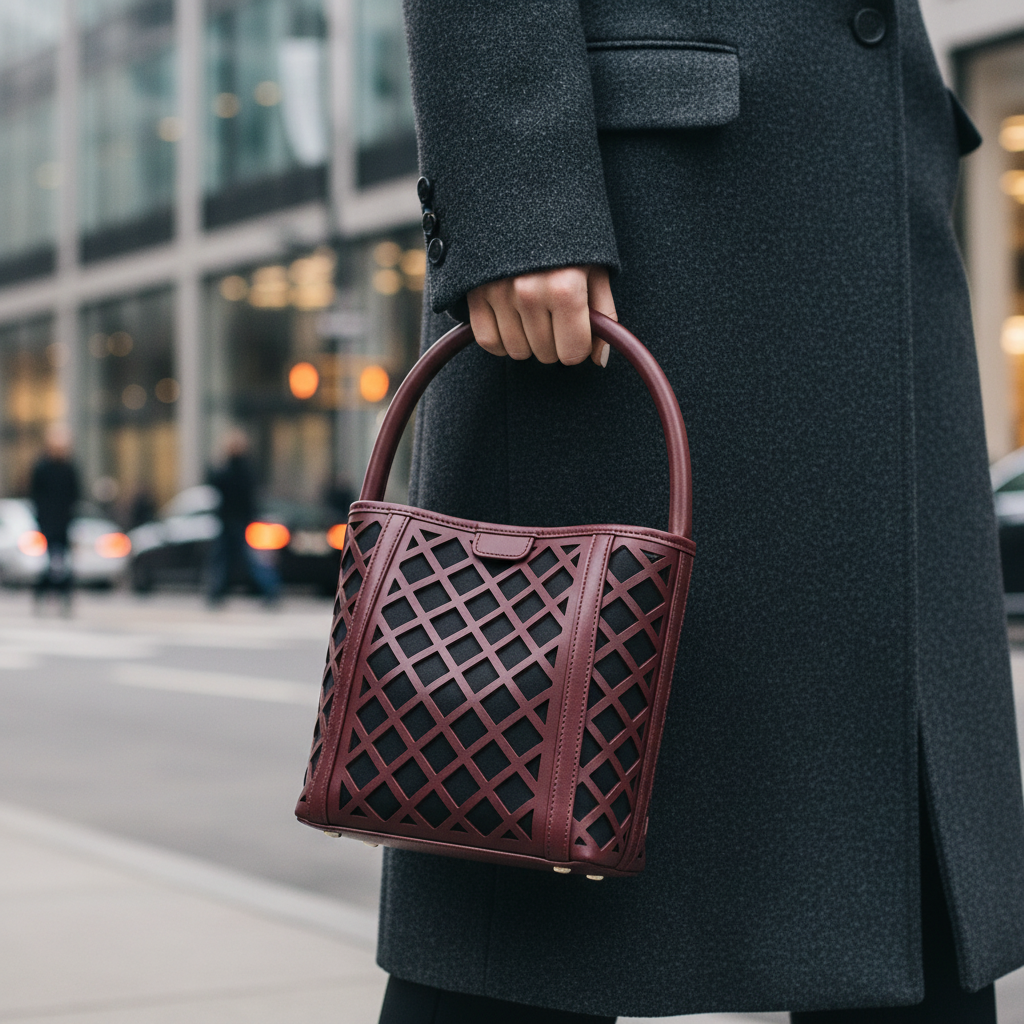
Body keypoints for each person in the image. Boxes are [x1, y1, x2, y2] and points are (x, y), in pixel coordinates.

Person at [375, 2, 1024, 1023]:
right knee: (528, 833)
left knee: (904, 886)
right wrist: (515, 196)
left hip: (854, 185)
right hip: (644, 222)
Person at [206, 429, 280, 606]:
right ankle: (269, 590)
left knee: (228, 559)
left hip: (231, 522)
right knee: (245, 559)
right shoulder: (247, 469)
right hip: (241, 521)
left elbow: (216, 484)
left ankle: (217, 593)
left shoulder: (228, 469)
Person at [30, 423, 80, 614]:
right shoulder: (42, 468)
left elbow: (74, 495)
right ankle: (42, 596)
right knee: (48, 564)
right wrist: (41, 520)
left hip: (64, 523)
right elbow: (36, 495)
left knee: (65, 565)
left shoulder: (69, 468)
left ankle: (65, 599)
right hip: (47, 523)